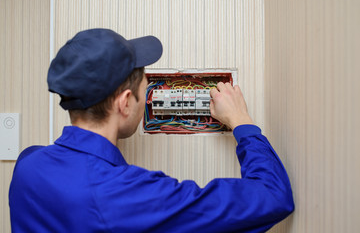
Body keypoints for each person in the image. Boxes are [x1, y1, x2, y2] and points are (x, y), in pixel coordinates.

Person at [9, 28, 294, 232]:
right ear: (124, 103)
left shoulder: (28, 164)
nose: (148, 95)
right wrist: (242, 122)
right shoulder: (130, 196)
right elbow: (273, 196)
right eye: (146, 88)